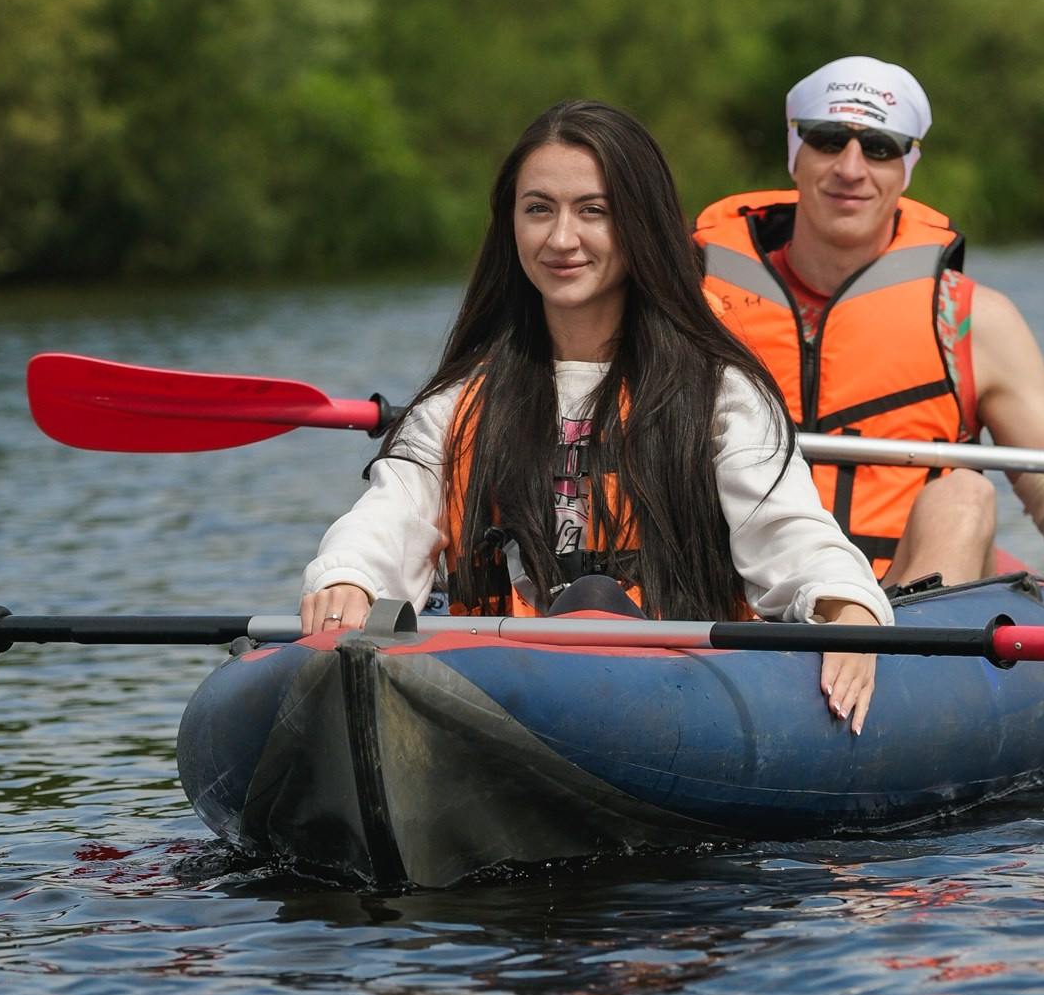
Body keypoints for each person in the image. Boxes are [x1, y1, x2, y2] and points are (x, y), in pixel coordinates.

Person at [299, 99, 895, 728]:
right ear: (511, 226)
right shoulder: (458, 404)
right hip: (498, 688)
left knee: (594, 600)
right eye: (537, 210)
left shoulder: (722, 394)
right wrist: (351, 577)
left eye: (594, 211)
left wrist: (843, 605)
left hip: (686, 697)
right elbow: (391, 515)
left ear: (641, 226)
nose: (561, 239)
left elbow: (789, 532)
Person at [694, 58, 1044, 592]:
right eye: (826, 140)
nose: (851, 167)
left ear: (907, 164)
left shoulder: (974, 323)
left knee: (965, 493)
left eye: (880, 148)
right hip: (731, 601)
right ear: (795, 153)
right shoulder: (686, 297)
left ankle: (898, 657)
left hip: (899, 610)